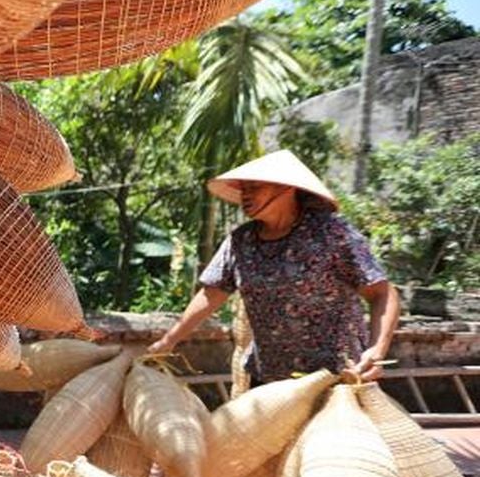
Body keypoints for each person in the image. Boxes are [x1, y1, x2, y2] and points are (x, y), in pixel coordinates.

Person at [148, 149, 400, 385]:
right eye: (243, 188)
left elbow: (382, 293)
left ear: (287, 188)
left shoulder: (331, 233)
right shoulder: (241, 241)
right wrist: (168, 341)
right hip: (269, 380)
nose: (246, 194)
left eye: (255, 187)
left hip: (336, 377)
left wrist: (377, 350)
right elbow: (211, 294)